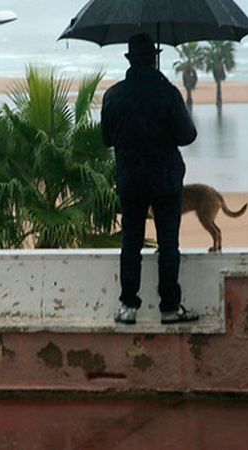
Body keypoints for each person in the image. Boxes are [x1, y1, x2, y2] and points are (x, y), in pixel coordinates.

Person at [101, 33, 200, 325]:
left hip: (130, 179)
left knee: (130, 241)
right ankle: (170, 307)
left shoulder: (114, 95)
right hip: (165, 179)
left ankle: (128, 306)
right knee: (168, 243)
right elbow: (188, 135)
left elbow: (106, 138)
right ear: (154, 59)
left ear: (131, 60)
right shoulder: (167, 92)